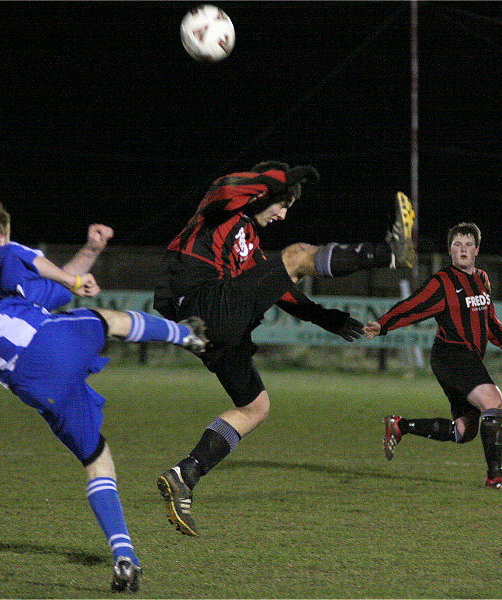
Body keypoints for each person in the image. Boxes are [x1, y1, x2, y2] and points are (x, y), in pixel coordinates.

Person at [0, 198, 209, 592]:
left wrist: (90, 252)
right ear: (1, 233)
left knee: (96, 457)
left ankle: (125, 557)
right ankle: (187, 335)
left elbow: (52, 288)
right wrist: (72, 282)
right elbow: (14, 259)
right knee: (109, 320)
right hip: (42, 349)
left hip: (34, 385)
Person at [153, 160, 417, 535]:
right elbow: (228, 185)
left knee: (255, 407)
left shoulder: (249, 244)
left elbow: (278, 286)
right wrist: (284, 179)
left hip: (213, 330)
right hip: (199, 304)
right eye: (283, 204)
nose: (282, 213)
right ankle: (389, 252)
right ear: (266, 194)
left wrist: (323, 317)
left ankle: (185, 476)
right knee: (294, 255)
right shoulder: (220, 210)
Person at [363, 222, 502, 490]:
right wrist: (383, 324)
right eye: (457, 245)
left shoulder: (482, 278)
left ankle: (400, 426)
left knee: (463, 431)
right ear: (450, 250)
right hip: (451, 355)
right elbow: (412, 306)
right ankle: (495, 476)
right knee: (493, 401)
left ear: (476, 249)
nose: (462, 250)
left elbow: (490, 321)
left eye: (467, 245)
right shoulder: (443, 281)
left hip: (467, 358)